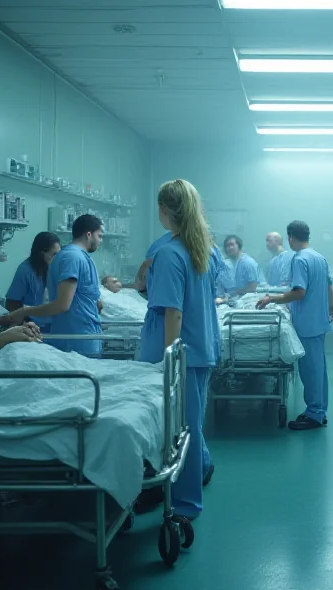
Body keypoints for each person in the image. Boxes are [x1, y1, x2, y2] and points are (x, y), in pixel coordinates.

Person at [139, 179, 219, 519]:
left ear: (163, 210)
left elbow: (173, 311)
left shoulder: (170, 253)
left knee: (180, 431)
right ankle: (198, 474)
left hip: (180, 354)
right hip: (201, 348)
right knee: (191, 424)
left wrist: (169, 362)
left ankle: (185, 505)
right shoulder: (205, 248)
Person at [257, 220, 332, 431]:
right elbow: (327, 286)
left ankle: (314, 414)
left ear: (290, 237)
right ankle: (319, 410)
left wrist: (271, 299)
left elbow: (299, 292)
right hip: (319, 320)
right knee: (319, 369)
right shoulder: (319, 257)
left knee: (310, 370)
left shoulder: (300, 259)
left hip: (307, 323)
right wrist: (331, 308)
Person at [4, 214, 104, 356]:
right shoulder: (73, 258)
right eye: (99, 236)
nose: (100, 241)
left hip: (80, 333)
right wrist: (25, 311)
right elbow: (62, 304)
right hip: (78, 338)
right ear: (89, 235)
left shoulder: (70, 256)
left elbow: (78, 296)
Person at [5, 232, 61, 331]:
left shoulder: (55, 269)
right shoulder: (26, 271)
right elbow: (11, 303)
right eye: (54, 254)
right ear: (42, 253)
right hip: (33, 326)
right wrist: (26, 319)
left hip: (54, 325)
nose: (57, 259)